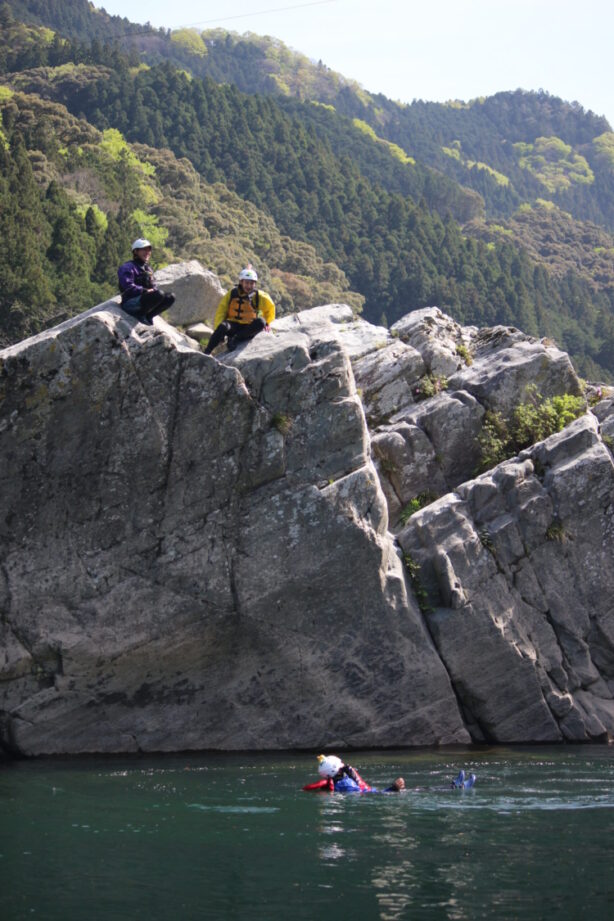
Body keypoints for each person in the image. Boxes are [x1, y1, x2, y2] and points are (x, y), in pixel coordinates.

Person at [204, 265, 275, 355]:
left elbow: (270, 308)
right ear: (241, 282)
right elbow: (221, 310)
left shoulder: (259, 296)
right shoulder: (233, 293)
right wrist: (219, 331)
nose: (249, 286)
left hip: (249, 328)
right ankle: (207, 352)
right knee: (223, 326)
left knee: (261, 321)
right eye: (246, 283)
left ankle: (235, 339)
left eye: (251, 283)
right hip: (233, 325)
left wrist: (267, 322)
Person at [118, 238, 176, 326]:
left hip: (143, 301)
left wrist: (152, 291)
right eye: (144, 250)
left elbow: (154, 285)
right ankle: (140, 315)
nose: (147, 252)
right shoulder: (127, 267)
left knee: (170, 297)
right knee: (159, 294)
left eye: (149, 250)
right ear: (136, 252)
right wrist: (143, 290)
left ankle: (149, 316)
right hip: (130, 303)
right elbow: (128, 286)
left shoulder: (147, 269)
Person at [303, 755, 406, 794]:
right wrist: (392, 789)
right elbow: (367, 794)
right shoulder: (346, 783)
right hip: (370, 793)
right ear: (337, 770)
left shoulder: (330, 785)